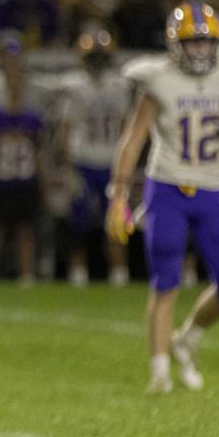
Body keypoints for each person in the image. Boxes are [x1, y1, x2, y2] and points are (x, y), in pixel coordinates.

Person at [105, 2, 219, 393]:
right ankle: (159, 372)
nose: (201, 52)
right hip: (167, 187)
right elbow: (133, 139)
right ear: (175, 45)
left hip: (212, 187)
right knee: (166, 278)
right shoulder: (159, 80)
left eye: (207, 44)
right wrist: (118, 194)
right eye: (193, 44)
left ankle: (186, 339)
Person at [59, 28, 131, 286]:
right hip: (84, 161)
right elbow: (66, 129)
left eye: (101, 56)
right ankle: (78, 272)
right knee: (78, 222)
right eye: (94, 56)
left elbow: (126, 127)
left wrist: (127, 164)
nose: (98, 61)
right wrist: (68, 166)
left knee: (117, 221)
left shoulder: (119, 85)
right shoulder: (74, 85)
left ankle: (119, 271)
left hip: (112, 162)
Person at [0, 34, 45, 285]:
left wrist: (42, 178)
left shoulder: (32, 118)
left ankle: (27, 274)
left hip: (25, 177)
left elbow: (38, 151)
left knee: (25, 230)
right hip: (0, 176)